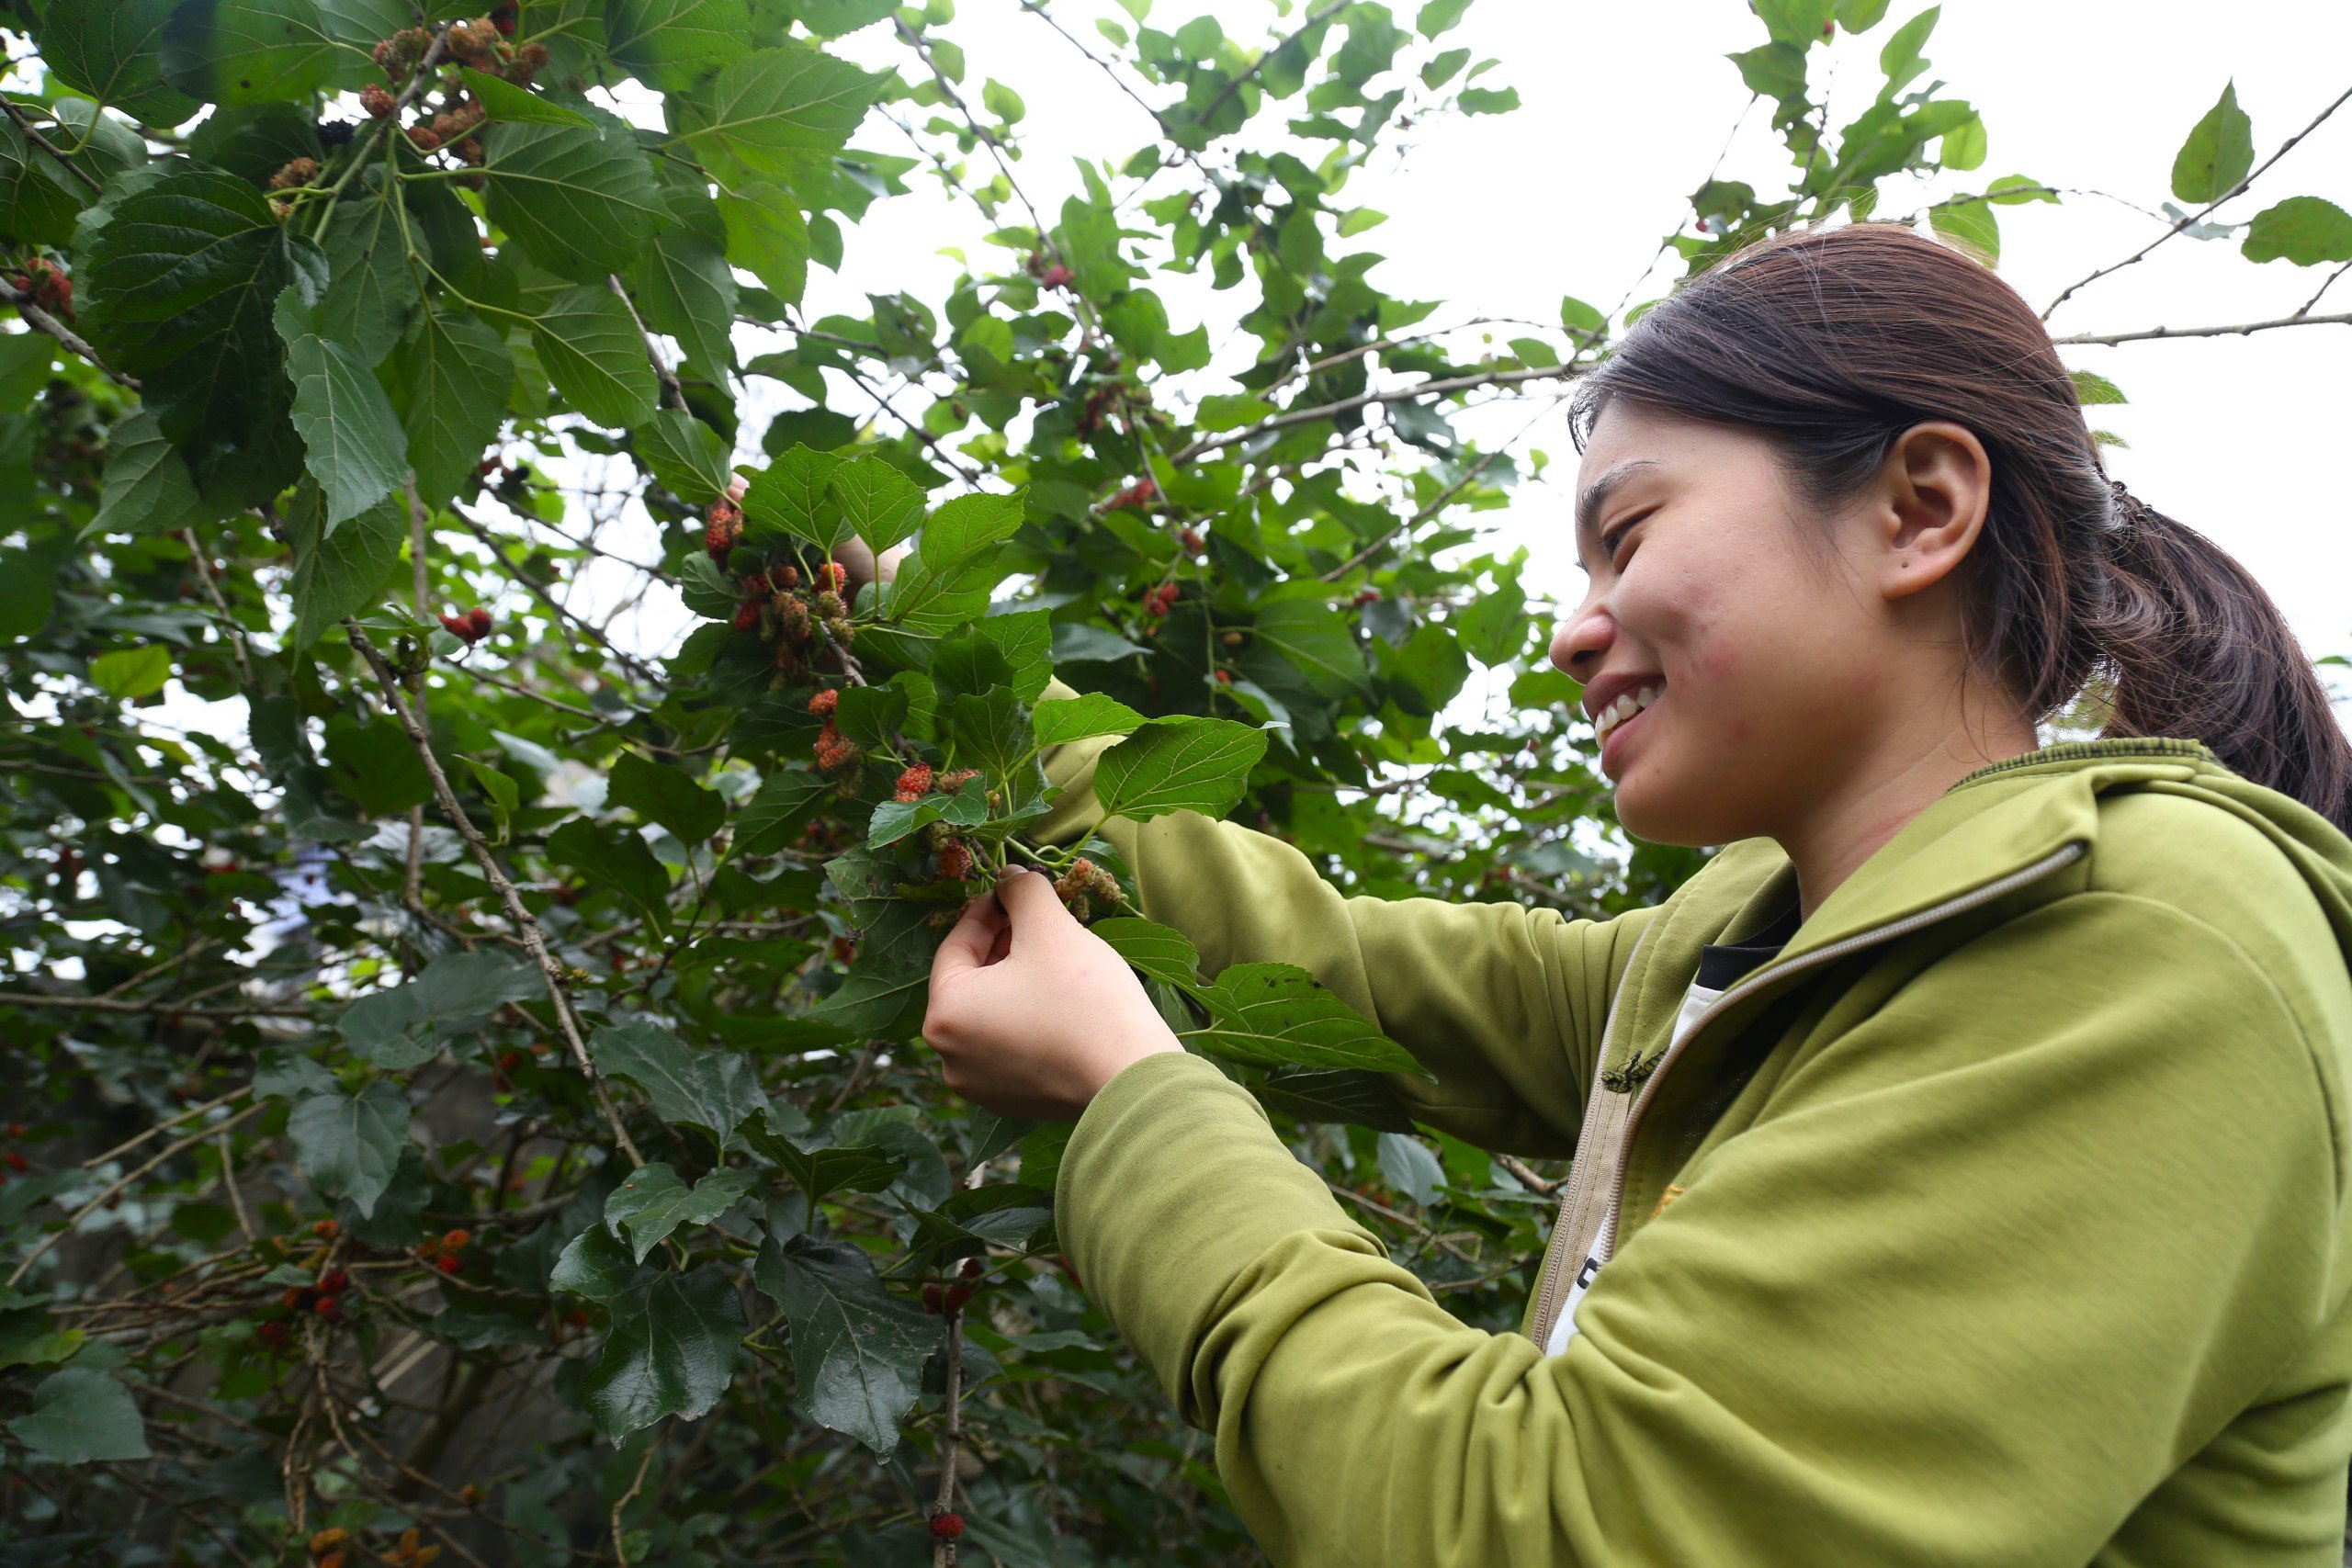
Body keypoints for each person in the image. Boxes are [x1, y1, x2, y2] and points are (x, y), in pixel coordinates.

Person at [897, 222, 2352, 1565]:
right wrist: (911, 639)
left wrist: (1129, 1097)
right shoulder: (1738, 939)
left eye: (1630, 536)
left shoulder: (2137, 947)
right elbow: (1336, 966)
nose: (1571, 631)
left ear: (1920, 509)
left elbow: (1558, 1528)